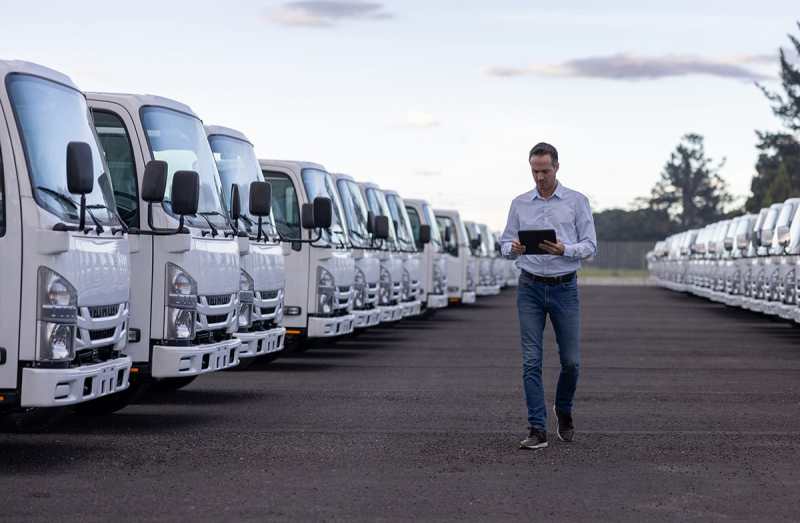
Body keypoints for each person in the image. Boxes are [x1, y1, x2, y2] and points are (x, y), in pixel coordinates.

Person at [500, 142, 597, 450]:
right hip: (529, 286)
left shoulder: (577, 202)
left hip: (564, 287)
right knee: (531, 361)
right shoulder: (519, 203)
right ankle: (537, 428)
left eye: (544, 171)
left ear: (557, 167)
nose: (539, 177)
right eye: (534, 171)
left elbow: (591, 246)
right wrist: (511, 248)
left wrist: (565, 249)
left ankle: (563, 408)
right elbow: (504, 242)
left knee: (571, 362)